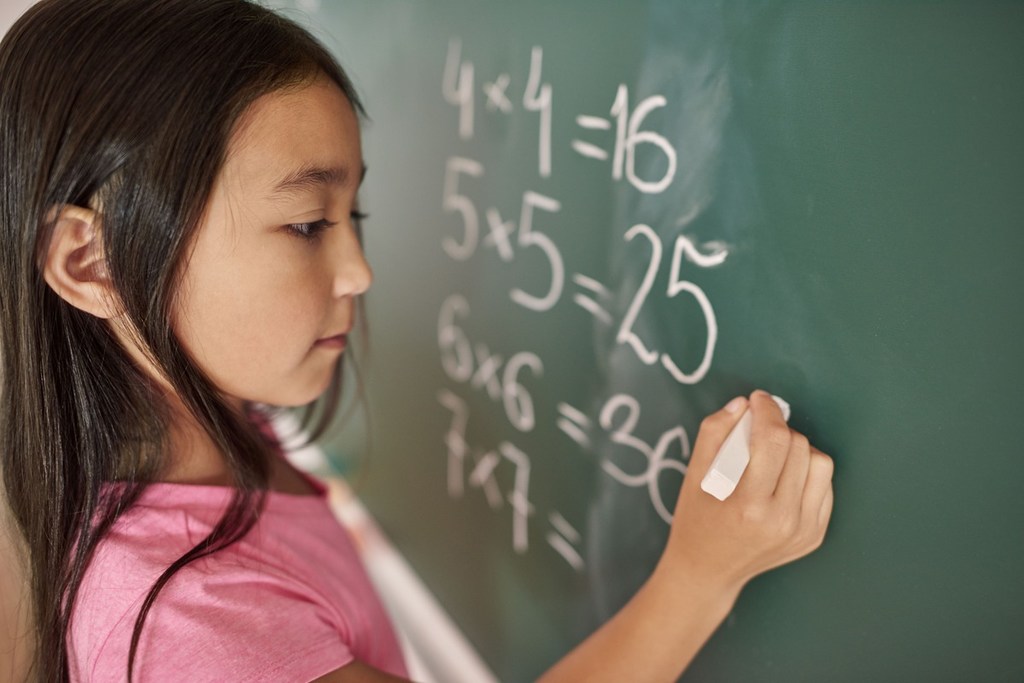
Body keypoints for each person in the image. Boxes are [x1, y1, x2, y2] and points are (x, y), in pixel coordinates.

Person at [0, 1, 834, 681]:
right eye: (304, 224)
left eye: (350, 216)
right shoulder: (191, 632)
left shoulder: (213, 424)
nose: (359, 269)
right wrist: (699, 577)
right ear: (90, 261)